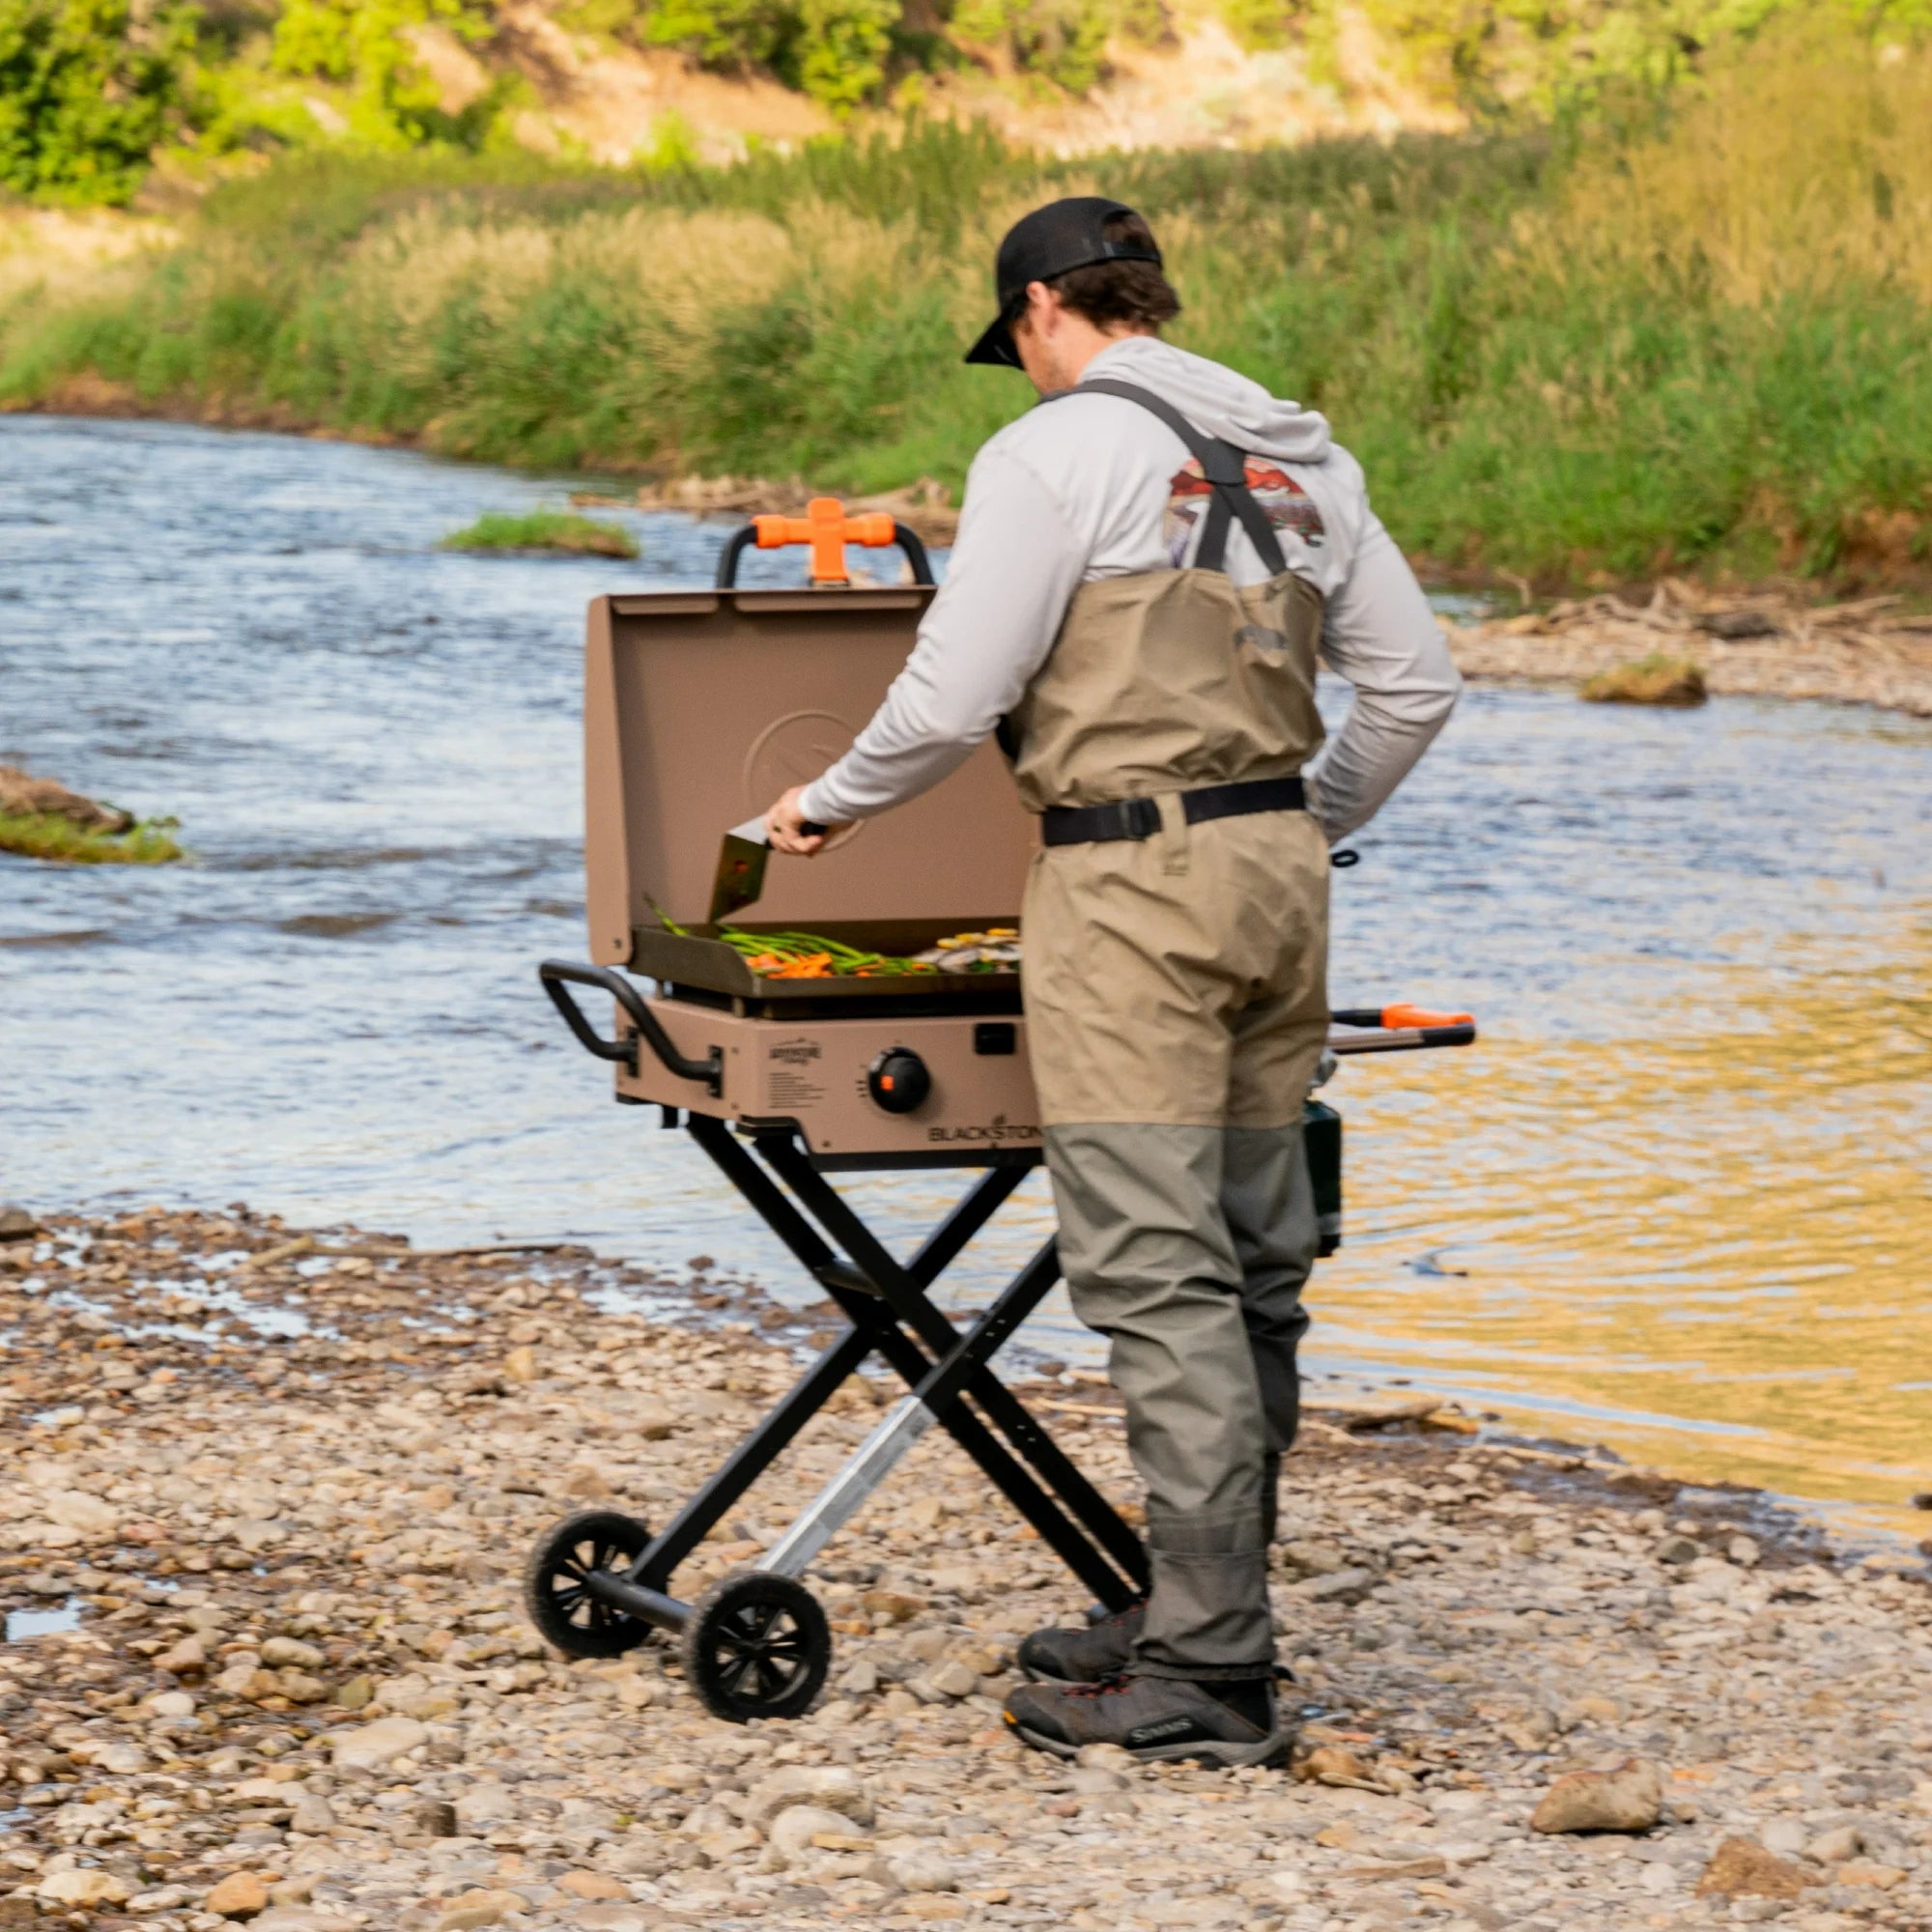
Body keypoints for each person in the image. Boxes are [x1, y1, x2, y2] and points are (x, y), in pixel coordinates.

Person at [762, 196, 1461, 1766]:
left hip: (1131, 890)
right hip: (1281, 887)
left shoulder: (1055, 450)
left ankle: (1210, 1673)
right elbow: (1416, 688)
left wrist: (822, 806)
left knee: (1157, 1272)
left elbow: (957, 690)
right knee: (1257, 1262)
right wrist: (1286, 826)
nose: (1020, 370)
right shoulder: (1300, 455)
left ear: (1037, 316)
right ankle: (1188, 1607)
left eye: (1015, 346)